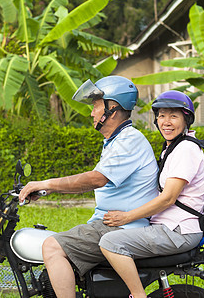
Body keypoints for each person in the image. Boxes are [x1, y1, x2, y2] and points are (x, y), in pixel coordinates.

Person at [18, 76, 159, 298]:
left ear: (112, 109)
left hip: (120, 228)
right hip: (109, 223)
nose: (91, 112)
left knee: (52, 246)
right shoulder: (116, 141)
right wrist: (44, 191)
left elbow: (96, 179)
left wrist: (47, 184)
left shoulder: (129, 141)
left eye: (95, 105)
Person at [99, 90, 204, 298]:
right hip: (170, 227)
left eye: (173, 116)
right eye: (161, 116)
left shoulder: (186, 149)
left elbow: (168, 198)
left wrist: (127, 216)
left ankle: (138, 295)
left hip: (178, 231)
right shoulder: (173, 148)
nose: (166, 122)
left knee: (110, 243)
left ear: (186, 120)